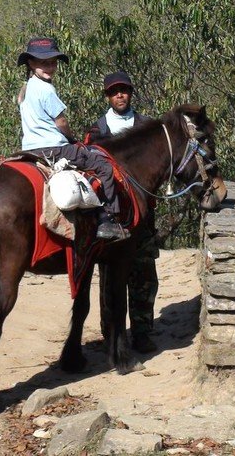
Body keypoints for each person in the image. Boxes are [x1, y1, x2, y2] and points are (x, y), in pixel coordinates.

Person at [16, 37, 127, 241]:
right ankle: (108, 219)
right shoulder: (47, 89)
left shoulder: (27, 88)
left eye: (52, 62)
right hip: (55, 148)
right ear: (31, 63)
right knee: (103, 166)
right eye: (43, 62)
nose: (49, 67)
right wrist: (72, 139)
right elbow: (61, 122)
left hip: (30, 149)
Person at [89, 72, 158, 353]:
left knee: (143, 274)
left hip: (143, 215)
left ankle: (143, 333)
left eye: (124, 90)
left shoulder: (147, 127)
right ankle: (111, 335)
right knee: (110, 276)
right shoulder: (97, 131)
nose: (120, 95)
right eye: (114, 91)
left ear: (131, 93)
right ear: (107, 96)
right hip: (111, 216)